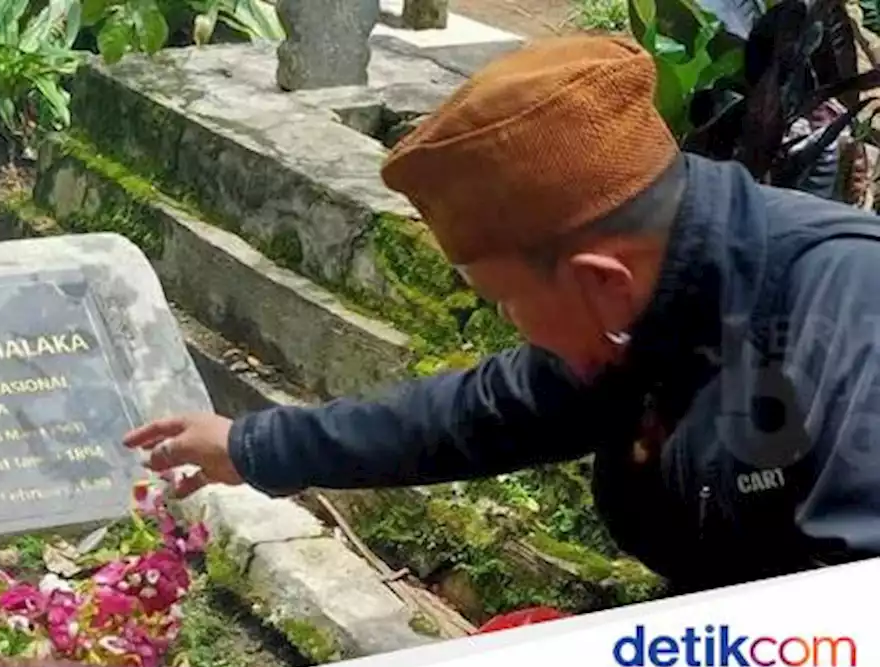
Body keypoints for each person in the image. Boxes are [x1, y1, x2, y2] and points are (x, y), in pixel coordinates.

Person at [122, 36, 880, 595]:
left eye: (508, 303)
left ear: (601, 281)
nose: (515, 330)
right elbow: (483, 412)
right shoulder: (661, 307)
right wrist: (254, 446)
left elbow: (846, 628)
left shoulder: (844, 321)